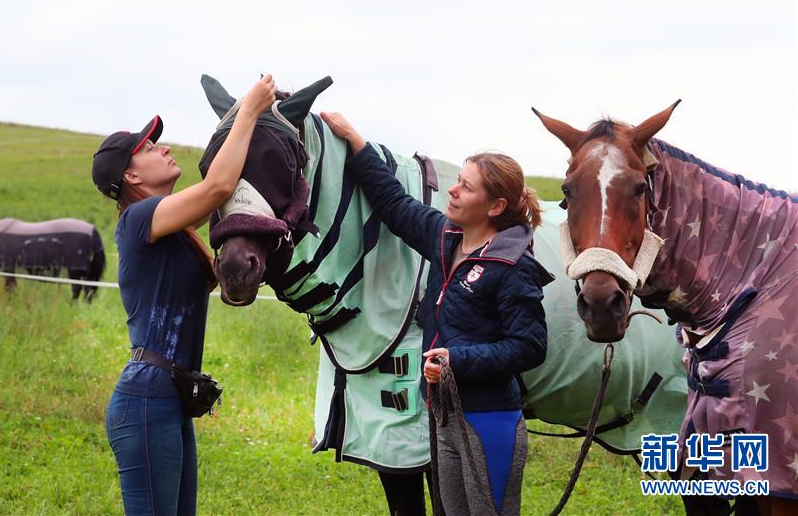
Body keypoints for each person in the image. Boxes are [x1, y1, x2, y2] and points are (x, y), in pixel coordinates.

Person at [320, 111, 552, 516]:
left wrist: (455, 360)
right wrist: (354, 139)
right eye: (458, 180)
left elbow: (530, 346)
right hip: (445, 415)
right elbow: (394, 203)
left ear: (496, 206)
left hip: (490, 420)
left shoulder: (514, 266)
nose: (453, 191)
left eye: (467, 187)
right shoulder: (444, 237)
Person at [93, 75, 276, 515]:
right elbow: (217, 187)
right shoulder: (138, 219)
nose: (164, 148)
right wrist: (248, 110)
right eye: (149, 148)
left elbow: (222, 208)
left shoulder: (174, 232)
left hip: (170, 393)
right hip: (146, 398)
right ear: (131, 175)